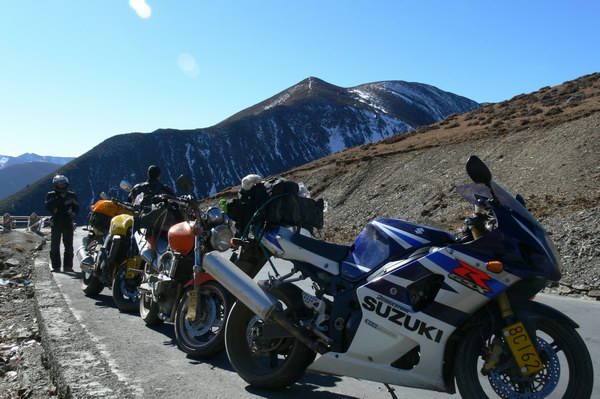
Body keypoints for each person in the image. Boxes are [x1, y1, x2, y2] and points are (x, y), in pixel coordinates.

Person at [45, 175, 79, 272]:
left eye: (64, 183)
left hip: (68, 222)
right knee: (54, 245)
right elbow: (48, 206)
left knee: (68, 245)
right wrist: (59, 198)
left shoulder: (72, 195)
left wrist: (73, 214)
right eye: (60, 184)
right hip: (55, 222)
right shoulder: (51, 195)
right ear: (56, 185)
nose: (62, 185)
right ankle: (56, 267)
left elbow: (77, 208)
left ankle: (68, 267)